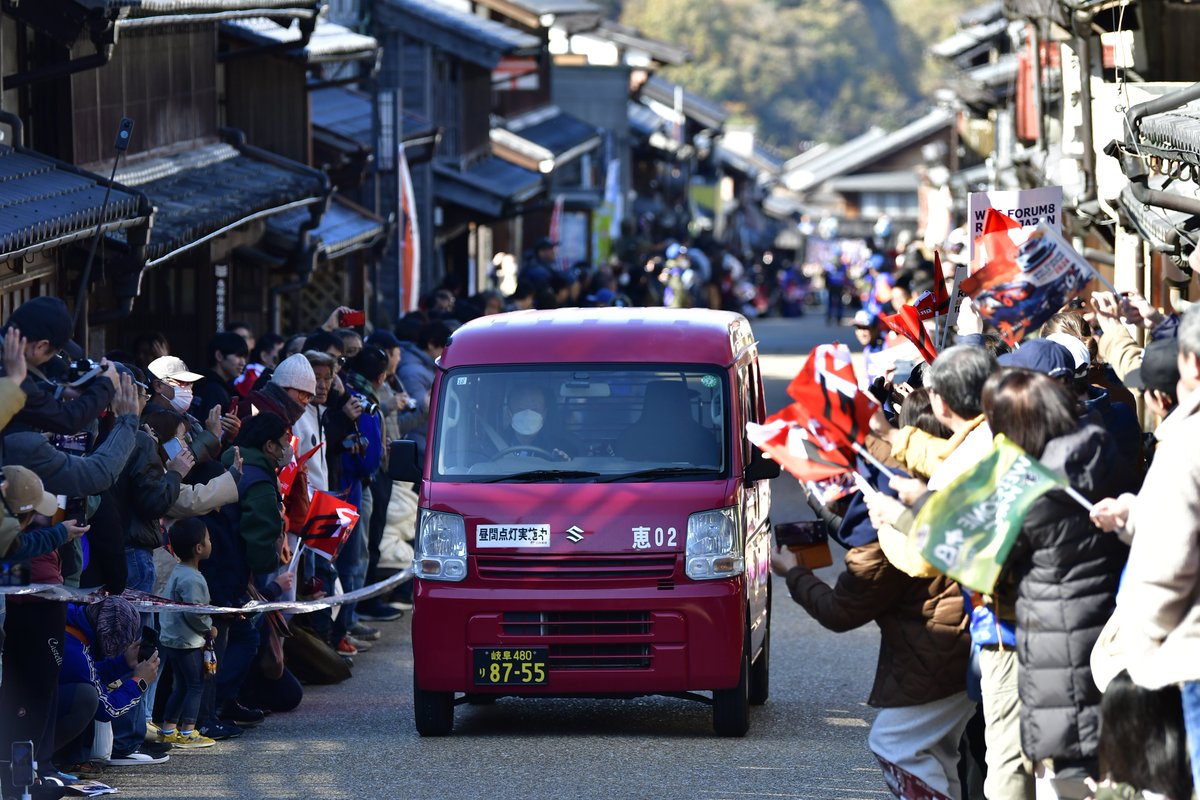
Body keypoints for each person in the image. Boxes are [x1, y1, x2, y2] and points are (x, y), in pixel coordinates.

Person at [981, 368, 1129, 798]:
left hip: (1057, 640)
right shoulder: (1099, 449)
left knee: (1066, 773)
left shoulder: (1035, 489)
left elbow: (991, 562)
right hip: (1105, 625)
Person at [1090, 302, 1200, 797]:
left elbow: (1169, 564)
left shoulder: (1186, 442)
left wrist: (1139, 648)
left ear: (1190, 365)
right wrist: (1136, 513)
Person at [157, 518, 217, 749]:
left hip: (173, 638)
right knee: (195, 685)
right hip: (187, 641)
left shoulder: (177, 571)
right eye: (208, 539)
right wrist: (209, 629)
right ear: (199, 548)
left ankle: (168, 729)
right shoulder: (193, 578)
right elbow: (195, 613)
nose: (211, 542)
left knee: (180, 685)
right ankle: (188, 731)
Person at [192, 331, 248, 422]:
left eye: (244, 357)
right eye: (238, 356)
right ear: (219, 356)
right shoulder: (214, 390)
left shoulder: (203, 382)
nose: (243, 363)